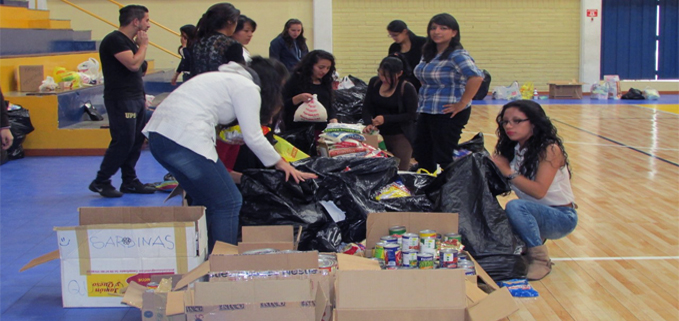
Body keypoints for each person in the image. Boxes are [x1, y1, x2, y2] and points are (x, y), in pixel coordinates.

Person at [143, 57, 317, 252]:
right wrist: (283, 164)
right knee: (229, 201)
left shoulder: (224, 78)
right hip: (183, 140)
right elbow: (254, 137)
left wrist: (221, 137)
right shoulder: (246, 87)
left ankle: (202, 257)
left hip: (161, 138)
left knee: (205, 200)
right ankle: (224, 264)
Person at [491, 100, 577, 280]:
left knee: (515, 206)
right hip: (534, 212)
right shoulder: (514, 148)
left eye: (517, 121)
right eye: (505, 121)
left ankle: (540, 260)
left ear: (533, 123)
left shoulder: (550, 149)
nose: (509, 126)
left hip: (561, 216)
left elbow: (539, 191)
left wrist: (507, 171)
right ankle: (525, 249)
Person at [89, 5, 156, 198]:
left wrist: (142, 96)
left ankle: (129, 181)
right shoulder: (114, 40)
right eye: (146, 20)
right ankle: (101, 181)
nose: (149, 25)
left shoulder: (130, 42)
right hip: (121, 99)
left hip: (135, 97)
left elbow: (140, 70)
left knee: (136, 140)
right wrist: (143, 46)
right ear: (136, 21)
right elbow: (134, 64)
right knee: (123, 140)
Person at [413, 13, 484, 174]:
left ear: (454, 32)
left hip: (448, 110)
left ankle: (452, 187)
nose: (437, 31)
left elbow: (476, 77)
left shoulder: (457, 55)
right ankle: (426, 183)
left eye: (443, 28)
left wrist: (462, 103)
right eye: (433, 28)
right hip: (427, 108)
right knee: (422, 150)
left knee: (443, 153)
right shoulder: (428, 53)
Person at [362, 56, 417, 171]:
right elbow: (367, 106)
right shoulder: (374, 82)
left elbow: (411, 115)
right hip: (378, 135)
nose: (384, 79)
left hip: (400, 135)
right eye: (381, 74)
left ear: (399, 73)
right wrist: (368, 123)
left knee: (400, 170)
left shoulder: (406, 88)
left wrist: (386, 119)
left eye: (388, 76)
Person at [281, 49, 337, 134]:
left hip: (321, 131)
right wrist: (298, 98)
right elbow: (282, 104)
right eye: (321, 67)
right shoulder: (294, 80)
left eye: (328, 68)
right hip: (298, 131)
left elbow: (330, 104)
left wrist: (333, 119)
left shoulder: (325, 82)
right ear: (310, 65)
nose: (324, 71)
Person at [190, 3, 244, 77]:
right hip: (222, 86)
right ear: (230, 21)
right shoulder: (231, 44)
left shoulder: (197, 42)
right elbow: (239, 75)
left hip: (200, 85)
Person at [387, 20, 427, 91]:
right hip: (402, 85)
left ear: (405, 31)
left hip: (421, 82)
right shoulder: (394, 47)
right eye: (391, 35)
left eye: (395, 35)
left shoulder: (422, 43)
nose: (393, 38)